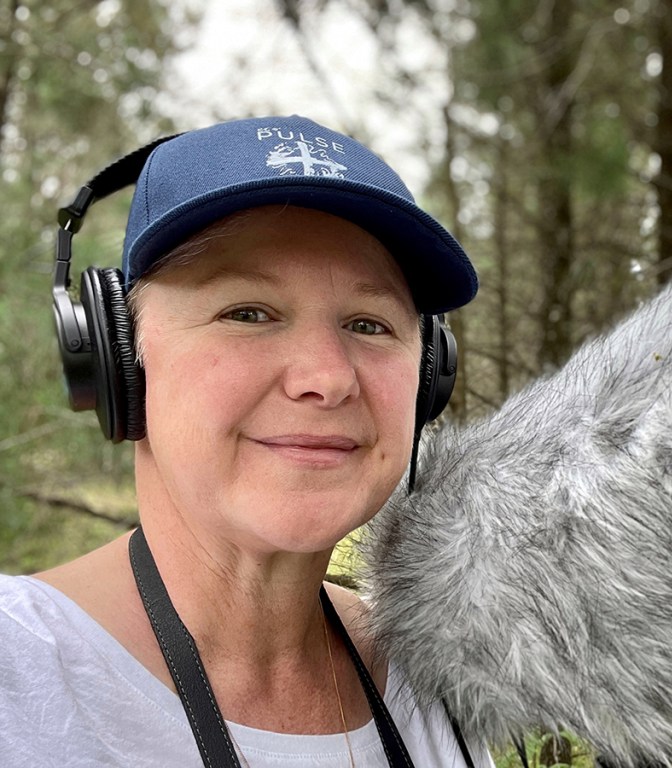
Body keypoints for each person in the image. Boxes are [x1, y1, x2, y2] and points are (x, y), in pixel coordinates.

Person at [0, 115, 491, 767]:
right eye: (248, 313)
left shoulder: (438, 679)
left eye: (369, 324)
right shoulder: (19, 675)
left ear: (431, 377)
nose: (327, 378)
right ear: (115, 360)